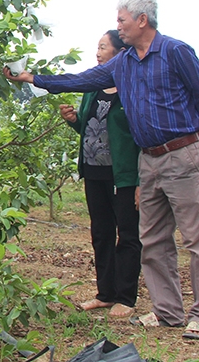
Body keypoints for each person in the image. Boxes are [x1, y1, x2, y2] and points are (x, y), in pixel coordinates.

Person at [4, 0, 199, 340]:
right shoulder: (125, 63)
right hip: (147, 158)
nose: (118, 26)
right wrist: (33, 78)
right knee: (153, 239)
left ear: (142, 21)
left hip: (182, 154)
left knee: (196, 239)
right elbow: (82, 80)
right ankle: (168, 311)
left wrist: (198, 142)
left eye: (121, 21)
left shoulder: (176, 52)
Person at [58, 30, 141, 319]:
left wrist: (142, 179)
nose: (98, 52)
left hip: (123, 175)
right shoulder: (93, 89)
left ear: (119, 53)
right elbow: (90, 129)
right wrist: (74, 121)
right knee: (101, 233)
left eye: (103, 47)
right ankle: (105, 294)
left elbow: (138, 134)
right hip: (94, 172)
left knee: (128, 235)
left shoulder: (131, 89)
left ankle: (126, 297)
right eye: (98, 47)